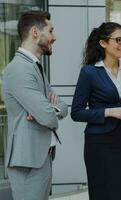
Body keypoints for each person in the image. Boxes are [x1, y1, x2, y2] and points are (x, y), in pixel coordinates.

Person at [2, 11, 68, 200]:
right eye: (50, 30)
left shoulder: (34, 66)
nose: (54, 37)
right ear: (35, 32)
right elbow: (47, 116)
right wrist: (46, 110)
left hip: (40, 157)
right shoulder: (19, 69)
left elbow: (62, 107)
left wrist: (47, 109)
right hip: (28, 161)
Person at [71, 22, 121, 200]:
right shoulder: (89, 72)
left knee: (120, 192)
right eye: (118, 39)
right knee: (101, 193)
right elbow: (76, 112)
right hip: (98, 143)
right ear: (103, 43)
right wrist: (108, 112)